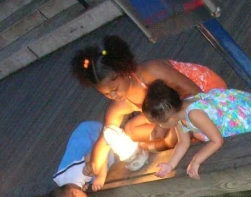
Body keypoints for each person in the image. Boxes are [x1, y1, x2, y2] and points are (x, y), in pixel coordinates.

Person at [71, 35, 226, 175]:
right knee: (130, 130)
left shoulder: (152, 71)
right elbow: (106, 136)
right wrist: (95, 163)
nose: (113, 96)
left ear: (124, 73)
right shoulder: (120, 103)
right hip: (167, 112)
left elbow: (195, 92)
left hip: (202, 97)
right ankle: (156, 143)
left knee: (173, 138)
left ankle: (152, 147)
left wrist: (166, 126)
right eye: (106, 94)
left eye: (114, 89)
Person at [142, 80, 251, 180]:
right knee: (198, 135)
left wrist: (196, 160)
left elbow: (217, 141)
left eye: (158, 124)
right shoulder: (178, 113)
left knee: (206, 140)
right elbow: (183, 143)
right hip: (216, 114)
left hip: (236, 116)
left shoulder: (194, 114)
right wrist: (170, 164)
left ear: (171, 119)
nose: (158, 126)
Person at [46, 121, 115, 197]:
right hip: (81, 135)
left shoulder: (81, 172)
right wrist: (82, 185)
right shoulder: (63, 183)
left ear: (75, 193)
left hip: (92, 132)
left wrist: (101, 176)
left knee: (108, 158)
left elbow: (98, 152)